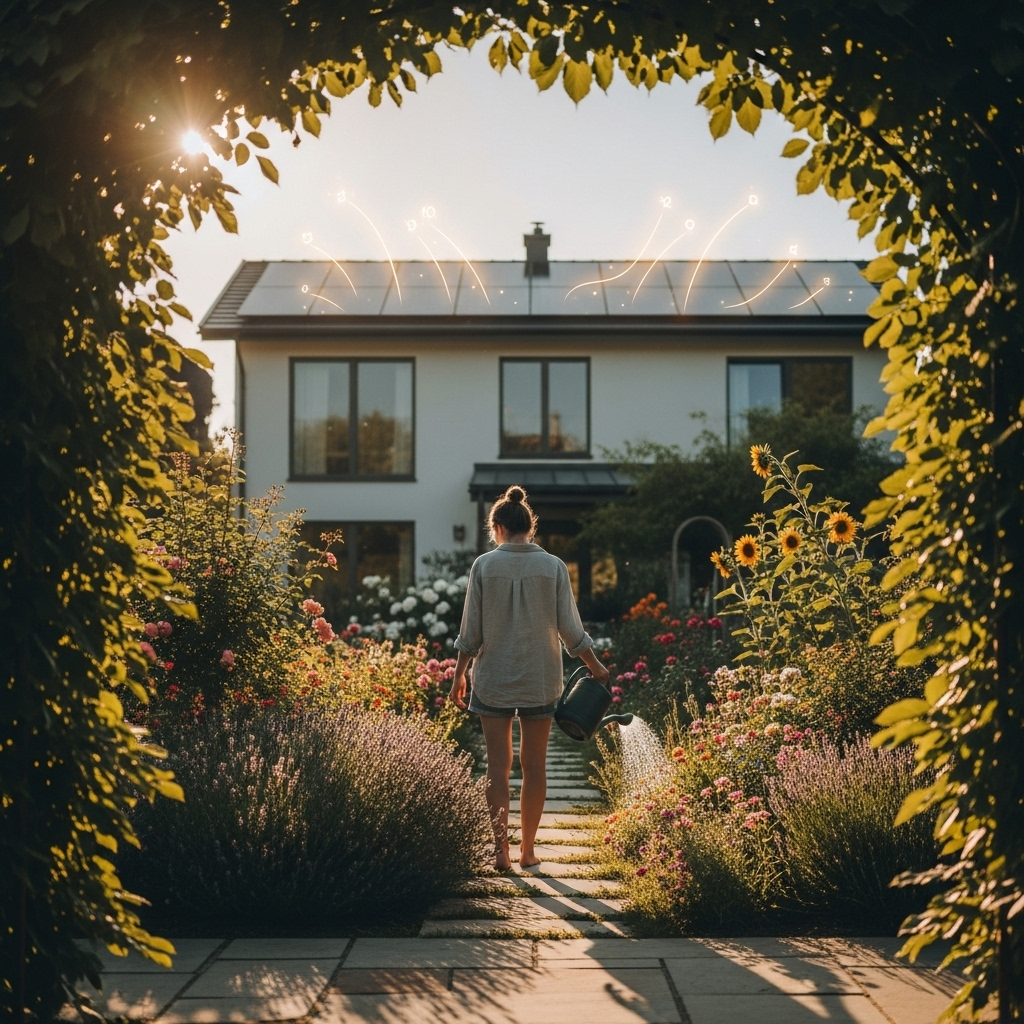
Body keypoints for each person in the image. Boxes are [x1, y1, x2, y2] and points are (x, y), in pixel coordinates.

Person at [449, 485, 611, 871]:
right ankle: (528, 851)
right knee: (534, 764)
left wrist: (459, 675)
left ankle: (500, 850)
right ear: (529, 526)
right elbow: (571, 630)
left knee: (497, 765)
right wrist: (595, 665)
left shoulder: (484, 566)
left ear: (498, 527)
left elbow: (470, 633)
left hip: (494, 677)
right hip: (540, 677)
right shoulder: (552, 566)